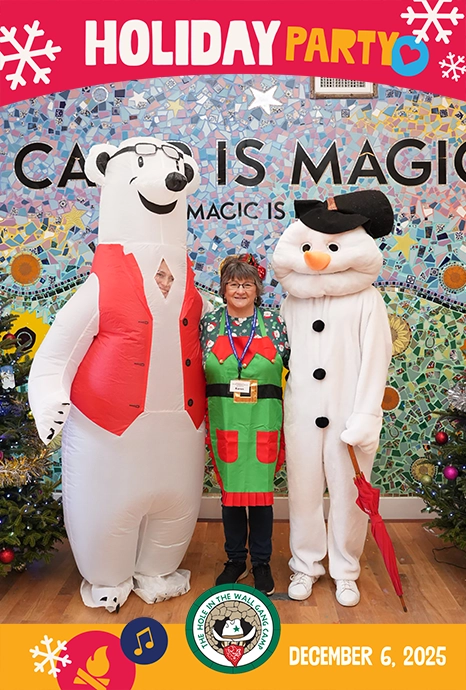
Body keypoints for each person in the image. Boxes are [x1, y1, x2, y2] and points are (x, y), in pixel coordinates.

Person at [200, 254, 290, 597]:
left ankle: (262, 563)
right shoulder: (209, 323)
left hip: (264, 418)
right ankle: (235, 560)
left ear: (257, 289)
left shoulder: (273, 322)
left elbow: (295, 367)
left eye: (247, 284)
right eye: (233, 284)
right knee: (233, 495)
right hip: (225, 418)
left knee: (261, 496)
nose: (240, 290)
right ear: (223, 289)